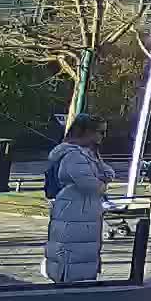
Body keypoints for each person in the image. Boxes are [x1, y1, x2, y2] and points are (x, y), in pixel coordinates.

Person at [42, 114, 114, 283]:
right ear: (87, 132)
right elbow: (88, 183)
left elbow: (109, 172)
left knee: (81, 249)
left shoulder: (88, 153)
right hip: (74, 211)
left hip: (83, 211)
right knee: (72, 250)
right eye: (100, 132)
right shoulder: (73, 155)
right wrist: (102, 185)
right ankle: (68, 281)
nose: (102, 137)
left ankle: (76, 280)